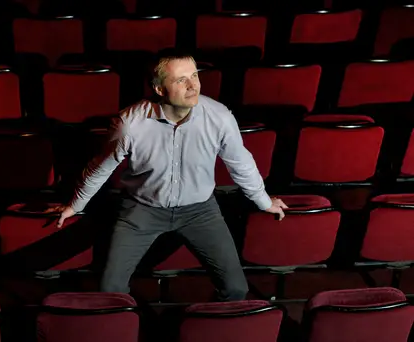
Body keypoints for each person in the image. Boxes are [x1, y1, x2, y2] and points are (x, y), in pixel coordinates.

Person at [50, 49, 288, 301]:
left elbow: (241, 163)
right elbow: (100, 167)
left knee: (236, 289)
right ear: (160, 89)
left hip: (200, 211)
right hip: (141, 209)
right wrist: (74, 205)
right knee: (110, 290)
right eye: (180, 80)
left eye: (194, 75)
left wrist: (264, 201)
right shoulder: (130, 123)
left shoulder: (219, 117)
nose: (193, 85)